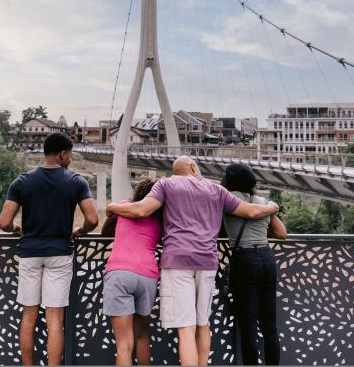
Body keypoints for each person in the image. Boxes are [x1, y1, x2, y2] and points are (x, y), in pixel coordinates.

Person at [107, 155, 279, 367]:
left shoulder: (166, 184)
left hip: (176, 262)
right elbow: (252, 211)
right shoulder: (216, 189)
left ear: (175, 171)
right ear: (193, 166)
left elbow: (141, 209)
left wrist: (114, 206)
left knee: (186, 328)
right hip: (207, 262)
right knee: (203, 323)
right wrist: (272, 207)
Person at [0, 132, 99, 366]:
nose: (71, 159)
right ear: (63, 154)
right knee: (55, 318)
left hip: (30, 254)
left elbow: (3, 223)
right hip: (60, 254)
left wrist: (15, 228)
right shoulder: (76, 182)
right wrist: (81, 231)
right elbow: (93, 220)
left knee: (29, 315)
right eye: (71, 155)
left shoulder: (22, 181)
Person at [222, 163, 287, 366]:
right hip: (267, 258)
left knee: (248, 326)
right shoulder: (263, 201)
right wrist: (271, 211)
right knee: (270, 326)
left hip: (245, 260)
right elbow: (282, 234)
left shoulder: (227, 200)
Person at [102, 178, 162, 367]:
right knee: (142, 335)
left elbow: (105, 232)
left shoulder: (123, 207)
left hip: (119, 273)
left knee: (124, 345)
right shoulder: (160, 219)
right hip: (147, 276)